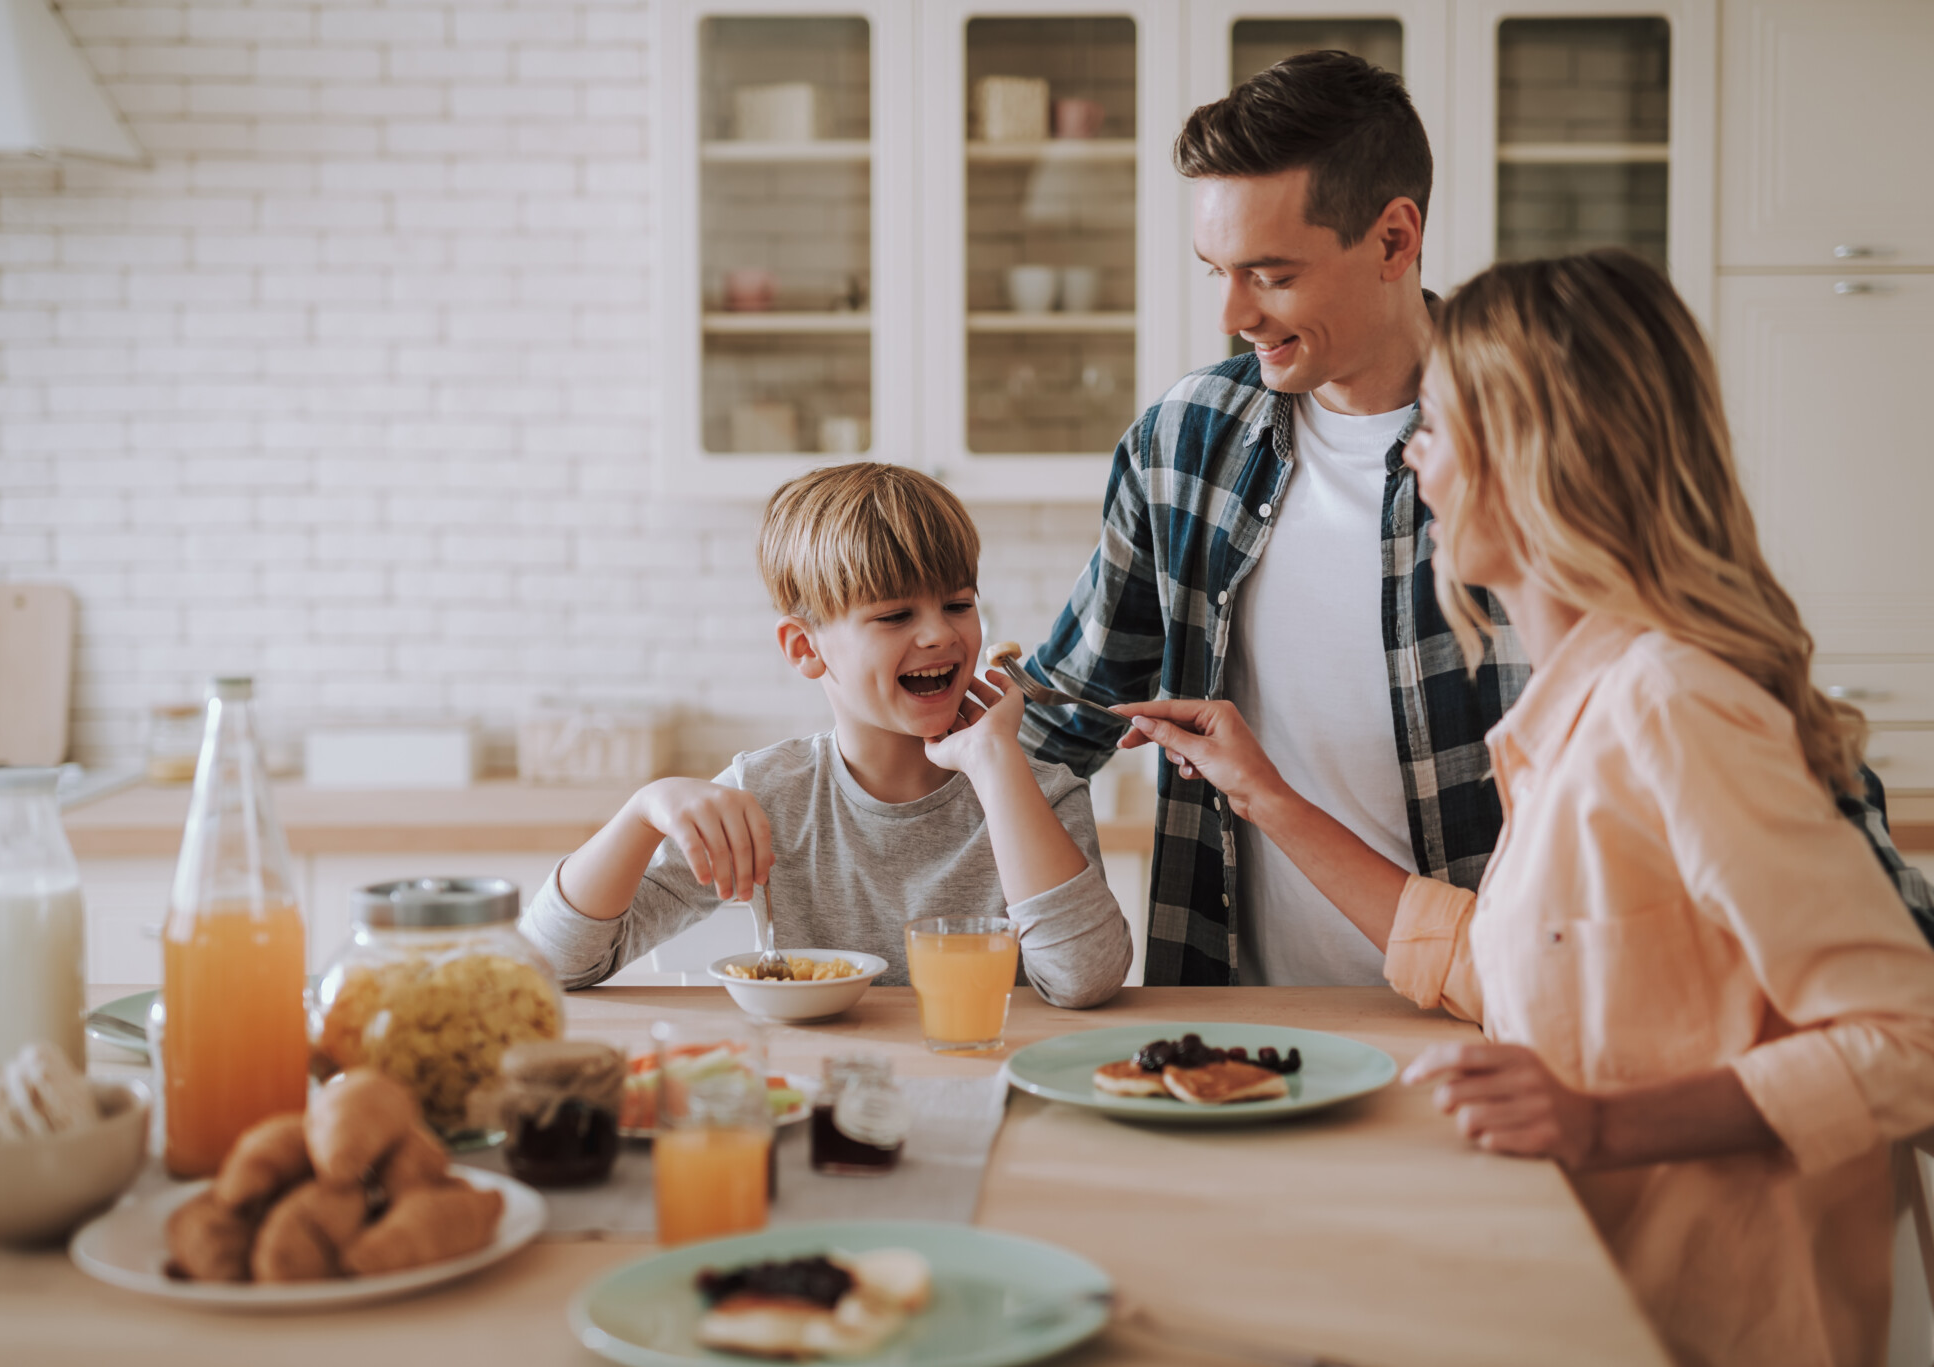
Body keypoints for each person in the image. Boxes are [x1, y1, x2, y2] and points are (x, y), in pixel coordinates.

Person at [1118, 251, 1934, 1367]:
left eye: (1437, 431)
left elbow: (1909, 1039)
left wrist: (1599, 1121)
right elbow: (1504, 968)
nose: (1414, 464)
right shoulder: (1575, 711)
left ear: (1532, 461)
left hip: (1707, 1322)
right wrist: (1265, 796)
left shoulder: (1668, 703)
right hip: (1578, 1281)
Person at [1020, 48, 1932, 985]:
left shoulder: (1531, 443)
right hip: (1254, 1038)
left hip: (1512, 1033)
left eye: (1271, 273)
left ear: (1392, 238)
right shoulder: (1186, 440)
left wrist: (1882, 971)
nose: (1232, 312)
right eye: (1216, 268)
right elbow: (1054, 725)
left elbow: (1753, 710)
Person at [520, 462, 1131, 1007]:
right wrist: (643, 810)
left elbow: (1084, 980)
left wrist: (996, 763)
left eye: (958, 604)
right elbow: (552, 964)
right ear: (805, 647)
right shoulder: (767, 794)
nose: (940, 635)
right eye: (895, 615)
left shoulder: (1041, 795)